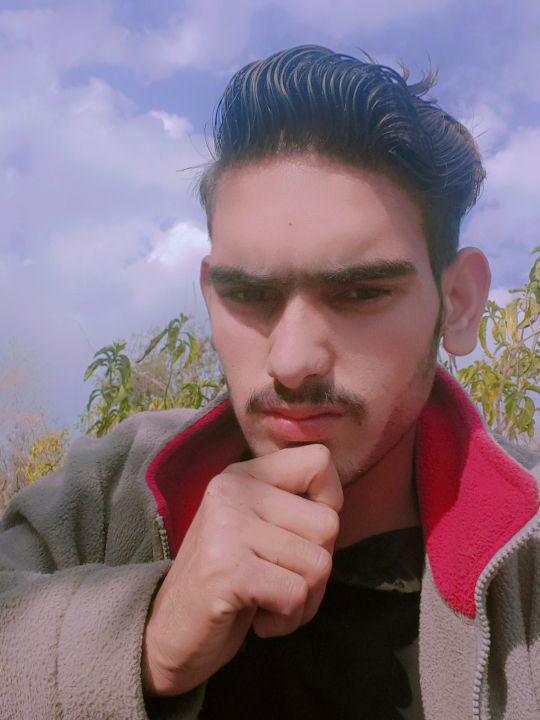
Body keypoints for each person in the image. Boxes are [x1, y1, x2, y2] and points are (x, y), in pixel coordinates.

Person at [1, 45, 539, 720]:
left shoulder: (528, 553)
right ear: (211, 297)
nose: (290, 361)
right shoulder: (109, 493)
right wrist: (147, 639)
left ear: (456, 304)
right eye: (249, 295)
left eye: (361, 292)